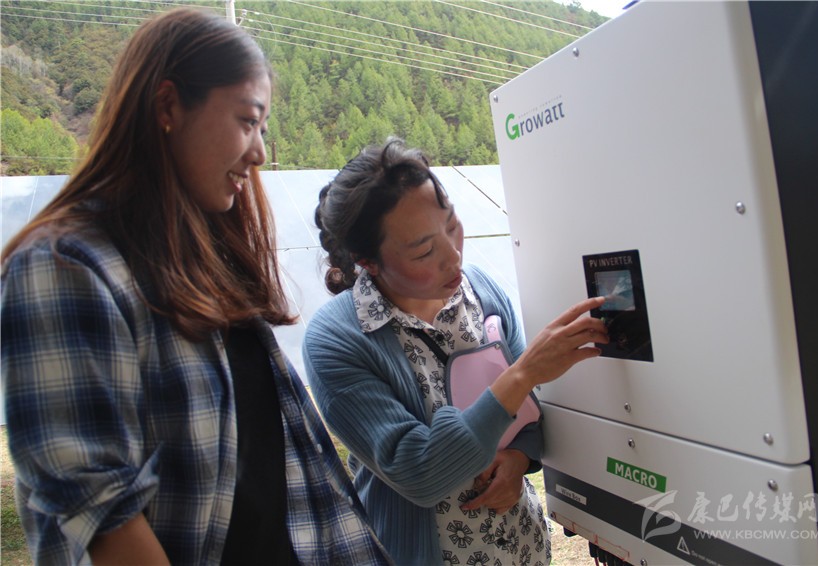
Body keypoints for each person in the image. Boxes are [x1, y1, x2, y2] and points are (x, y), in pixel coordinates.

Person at [1, 8, 390, 565]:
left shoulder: (205, 262)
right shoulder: (64, 267)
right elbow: (101, 514)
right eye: (247, 121)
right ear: (168, 107)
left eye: (262, 129)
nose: (259, 153)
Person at [303, 138, 608, 565]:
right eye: (424, 250)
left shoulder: (483, 291)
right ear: (368, 261)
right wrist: (522, 374)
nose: (454, 257)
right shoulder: (336, 341)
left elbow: (530, 416)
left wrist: (519, 458)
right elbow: (420, 474)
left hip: (522, 548)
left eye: (452, 225)